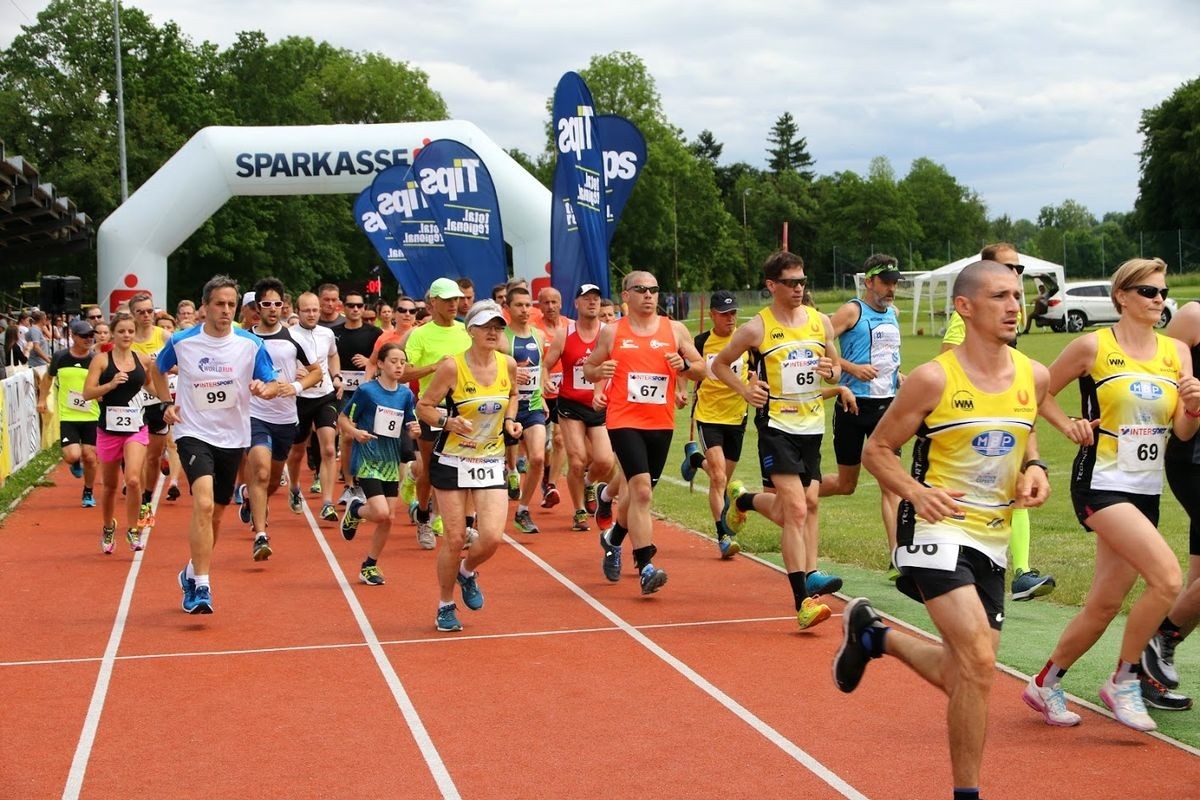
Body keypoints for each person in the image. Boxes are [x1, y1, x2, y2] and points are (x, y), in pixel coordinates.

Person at [833, 260, 1053, 800]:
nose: (1013, 306)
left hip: (993, 537)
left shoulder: (1033, 374)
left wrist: (1036, 469)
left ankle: (874, 636)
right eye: (1000, 296)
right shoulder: (935, 378)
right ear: (965, 306)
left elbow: (1026, 437)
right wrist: (916, 492)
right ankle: (967, 794)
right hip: (936, 528)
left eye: (1017, 297)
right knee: (980, 660)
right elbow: (878, 451)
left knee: (966, 676)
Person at [1026, 257, 1200, 732]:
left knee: (1103, 604)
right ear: (1121, 296)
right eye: (1148, 292)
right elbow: (1034, 390)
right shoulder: (1092, 346)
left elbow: (1182, 433)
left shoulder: (1175, 354)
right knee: (1167, 578)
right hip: (1100, 484)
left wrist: (1194, 407)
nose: (1159, 300)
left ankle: (1044, 682)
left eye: (1163, 293)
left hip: (1145, 489)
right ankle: (1125, 680)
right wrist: (1068, 424)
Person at [712, 251, 843, 628]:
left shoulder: (821, 323)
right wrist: (744, 390)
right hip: (776, 428)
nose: (799, 288)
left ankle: (744, 499)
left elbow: (834, 367)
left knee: (801, 507)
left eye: (802, 281)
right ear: (772, 285)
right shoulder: (758, 327)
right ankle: (803, 599)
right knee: (797, 511)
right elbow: (721, 364)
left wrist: (831, 369)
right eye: (791, 282)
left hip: (812, 427)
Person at [159, 276, 280, 614]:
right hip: (192, 432)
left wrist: (264, 388)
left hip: (233, 436)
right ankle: (202, 585)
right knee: (204, 502)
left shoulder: (249, 344)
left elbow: (270, 382)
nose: (226, 310)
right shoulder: (182, 341)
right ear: (205, 306)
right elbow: (155, 369)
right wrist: (162, 404)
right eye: (219, 304)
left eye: (231, 304)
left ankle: (189, 571)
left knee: (215, 516)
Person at [943, 243, 1056, 602]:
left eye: (1019, 271)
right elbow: (948, 364)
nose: (1016, 276)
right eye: (1009, 268)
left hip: (1010, 414)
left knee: (1018, 492)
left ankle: (1020, 572)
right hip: (974, 423)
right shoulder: (966, 317)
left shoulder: (1014, 312)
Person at [585, 272, 705, 593]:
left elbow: (701, 368)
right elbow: (589, 368)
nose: (649, 295)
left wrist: (683, 365)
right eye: (641, 290)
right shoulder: (613, 332)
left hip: (660, 423)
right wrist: (600, 371)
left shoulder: (674, 329)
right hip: (623, 420)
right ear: (626, 295)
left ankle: (613, 539)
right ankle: (646, 566)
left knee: (637, 496)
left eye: (654, 289)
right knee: (640, 491)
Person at [417, 301, 521, 632]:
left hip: (490, 459)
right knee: (455, 536)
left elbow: (515, 395)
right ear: (470, 330)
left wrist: (510, 421)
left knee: (491, 537)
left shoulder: (508, 364)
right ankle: (445, 604)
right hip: (452, 460)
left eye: (498, 326)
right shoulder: (452, 367)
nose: (493, 332)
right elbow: (424, 407)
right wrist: (448, 421)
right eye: (486, 326)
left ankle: (467, 572)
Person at [821, 254, 904, 575]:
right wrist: (851, 368)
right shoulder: (851, 311)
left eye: (895, 282)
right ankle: (794, 497)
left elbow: (888, 357)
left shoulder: (893, 313)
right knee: (846, 484)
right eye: (885, 282)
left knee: (891, 484)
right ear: (868, 281)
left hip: (887, 407)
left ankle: (897, 557)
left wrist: (900, 376)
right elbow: (821, 344)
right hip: (853, 405)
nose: (891, 288)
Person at [236, 278, 323, 561]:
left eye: (277, 304)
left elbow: (315, 372)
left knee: (272, 481)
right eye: (266, 304)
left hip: (286, 417)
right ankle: (261, 534)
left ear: (283, 306)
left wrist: (295, 387)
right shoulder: (244, 339)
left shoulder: (294, 337)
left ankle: (252, 495)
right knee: (259, 469)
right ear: (256, 308)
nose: (272, 309)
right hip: (254, 414)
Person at [1147, 298, 1200, 710]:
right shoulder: (1194, 314)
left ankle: (1149, 662)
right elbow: (1158, 371)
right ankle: (1156, 642)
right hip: (1194, 455)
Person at [84, 312, 173, 554]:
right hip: (109, 429)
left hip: (136, 426)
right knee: (111, 486)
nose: (126, 335)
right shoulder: (101, 361)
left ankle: (133, 530)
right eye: (122, 331)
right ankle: (108, 526)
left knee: (133, 480)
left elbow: (151, 385)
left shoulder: (143, 360)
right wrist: (110, 385)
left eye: (130, 331)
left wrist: (168, 402)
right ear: (113, 333)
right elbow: (87, 393)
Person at [338, 342, 419, 585]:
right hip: (367, 458)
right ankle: (357, 510)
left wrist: (414, 430)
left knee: (388, 517)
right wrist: (355, 433)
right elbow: (342, 419)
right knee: (381, 512)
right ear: (381, 364)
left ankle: (369, 565)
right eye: (393, 361)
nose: (398, 366)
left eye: (402, 362)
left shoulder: (406, 395)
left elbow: (409, 423)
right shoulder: (367, 392)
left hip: (390, 461)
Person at [399, 278, 471, 548]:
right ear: (433, 303)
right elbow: (404, 371)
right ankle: (423, 518)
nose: (455, 304)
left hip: (463, 409)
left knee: (462, 468)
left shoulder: (466, 330)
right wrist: (434, 368)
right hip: (431, 409)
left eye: (457, 299)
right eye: (449, 300)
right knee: (429, 470)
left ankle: (460, 523)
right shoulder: (420, 334)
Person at [680, 290, 750, 557]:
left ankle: (696, 460)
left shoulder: (745, 339)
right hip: (709, 415)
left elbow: (754, 368)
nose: (730, 318)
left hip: (737, 415)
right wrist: (681, 389)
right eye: (724, 313)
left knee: (723, 476)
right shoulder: (701, 341)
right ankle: (722, 536)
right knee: (719, 477)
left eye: (733, 313)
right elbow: (687, 366)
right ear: (712, 315)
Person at [545, 284, 614, 531]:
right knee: (577, 460)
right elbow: (547, 364)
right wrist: (544, 378)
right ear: (576, 303)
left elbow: (614, 365)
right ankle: (579, 511)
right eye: (586, 299)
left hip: (598, 405)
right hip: (571, 404)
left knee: (605, 461)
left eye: (596, 298)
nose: (592, 302)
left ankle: (587, 482)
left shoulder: (609, 332)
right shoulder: (565, 334)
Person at [287, 292, 343, 522]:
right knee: (297, 450)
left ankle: (327, 502)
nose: (311, 314)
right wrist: (294, 373)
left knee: (329, 449)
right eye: (306, 310)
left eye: (315, 310)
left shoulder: (327, 333)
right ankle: (294, 487)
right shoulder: (288, 335)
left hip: (325, 395)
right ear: (298, 312)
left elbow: (333, 355)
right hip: (300, 397)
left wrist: (337, 376)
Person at [39, 319, 100, 508]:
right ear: (73, 336)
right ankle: (74, 463)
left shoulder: (96, 359)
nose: (89, 339)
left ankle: (88, 491)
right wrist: (42, 399)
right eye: (84, 336)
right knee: (72, 456)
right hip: (69, 416)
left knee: (90, 456)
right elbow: (47, 379)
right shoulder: (60, 357)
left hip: (92, 415)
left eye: (91, 335)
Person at [503, 285, 549, 534]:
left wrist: (541, 393)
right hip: (504, 410)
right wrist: (511, 373)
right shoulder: (502, 337)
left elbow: (541, 368)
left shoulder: (538, 336)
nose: (524, 310)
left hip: (531, 407)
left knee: (538, 457)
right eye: (519, 305)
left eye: (527, 305)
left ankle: (522, 510)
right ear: (508, 308)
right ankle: (474, 515)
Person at [332, 290, 383, 506]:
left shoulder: (375, 333)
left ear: (363, 308)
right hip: (344, 391)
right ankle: (350, 485)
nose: (355, 309)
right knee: (348, 437)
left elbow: (383, 361)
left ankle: (366, 483)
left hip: (368, 392)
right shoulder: (334, 333)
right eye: (351, 305)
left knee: (369, 437)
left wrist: (369, 362)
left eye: (359, 306)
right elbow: (327, 357)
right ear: (343, 307)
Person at [128, 292, 170, 529]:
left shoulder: (163, 335)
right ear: (133, 314)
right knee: (137, 457)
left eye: (149, 311)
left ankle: (146, 500)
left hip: (156, 404)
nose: (146, 316)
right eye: (140, 312)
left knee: (153, 457)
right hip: (131, 406)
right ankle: (136, 489)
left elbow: (182, 359)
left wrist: (171, 369)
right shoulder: (127, 337)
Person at [532, 286, 569, 509]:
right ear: (540, 305)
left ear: (561, 303)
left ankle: (552, 485)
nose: (551, 306)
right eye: (546, 302)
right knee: (542, 445)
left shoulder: (570, 326)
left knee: (559, 439)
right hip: (541, 393)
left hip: (565, 392)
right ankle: (546, 474)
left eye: (554, 302)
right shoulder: (534, 330)